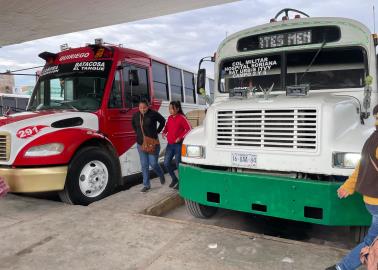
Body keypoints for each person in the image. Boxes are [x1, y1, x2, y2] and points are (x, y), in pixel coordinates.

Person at [327, 105, 378, 270]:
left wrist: (348, 186)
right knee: (371, 243)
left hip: (371, 200)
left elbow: (360, 167)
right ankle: (342, 268)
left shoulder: (372, 139)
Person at [132, 100, 166, 192]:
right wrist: (139, 135)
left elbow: (163, 121)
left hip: (152, 143)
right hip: (141, 144)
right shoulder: (136, 116)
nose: (142, 109)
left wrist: (157, 131)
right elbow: (134, 126)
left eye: (144, 107)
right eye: (140, 108)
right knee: (144, 165)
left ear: (148, 107)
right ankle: (146, 185)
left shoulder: (153, 114)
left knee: (153, 163)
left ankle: (161, 174)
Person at [162, 101, 192, 189]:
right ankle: (174, 179)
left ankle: (181, 183)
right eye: (169, 108)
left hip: (178, 145)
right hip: (170, 145)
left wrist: (180, 137)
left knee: (178, 164)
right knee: (166, 163)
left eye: (172, 108)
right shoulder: (170, 118)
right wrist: (164, 132)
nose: (170, 110)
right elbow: (166, 127)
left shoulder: (182, 118)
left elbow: (189, 129)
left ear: (177, 109)